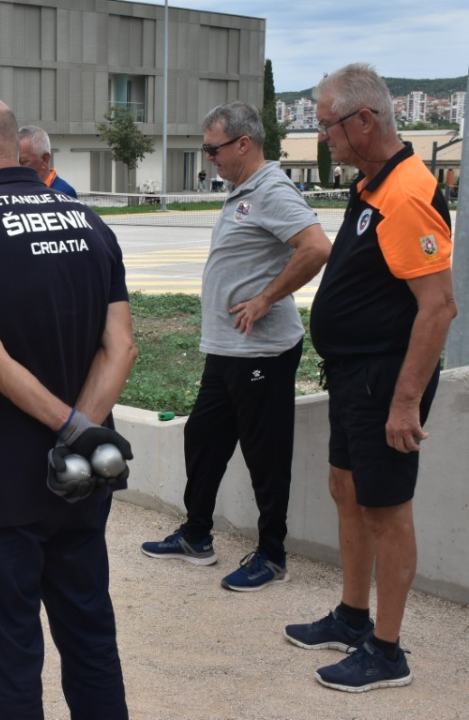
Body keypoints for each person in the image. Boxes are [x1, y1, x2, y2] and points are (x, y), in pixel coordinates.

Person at [0, 95, 136, 719]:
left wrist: (68, 428)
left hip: (3, 483)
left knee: (9, 651)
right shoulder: (89, 220)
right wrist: (81, 433)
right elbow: (121, 346)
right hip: (84, 476)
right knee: (91, 636)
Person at [284, 63, 457, 693]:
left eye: (328, 124)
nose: (324, 136)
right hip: (353, 375)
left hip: (386, 379)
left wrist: (406, 401)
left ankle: (386, 652)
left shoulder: (408, 192)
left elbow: (438, 307)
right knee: (346, 489)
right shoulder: (371, 187)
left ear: (363, 121)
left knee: (387, 509)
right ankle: (352, 616)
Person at [140, 101, 331, 592]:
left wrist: (267, 298)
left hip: (261, 353)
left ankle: (272, 557)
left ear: (243, 144)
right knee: (203, 438)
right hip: (227, 350)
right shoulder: (240, 191)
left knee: (265, 458)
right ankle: (196, 536)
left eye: (213, 148)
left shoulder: (270, 188)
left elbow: (316, 247)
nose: (209, 158)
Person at [18, 124, 79, 197]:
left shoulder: (64, 193)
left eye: (23, 162)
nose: (16, 167)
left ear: (45, 159)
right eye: (14, 161)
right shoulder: (14, 189)